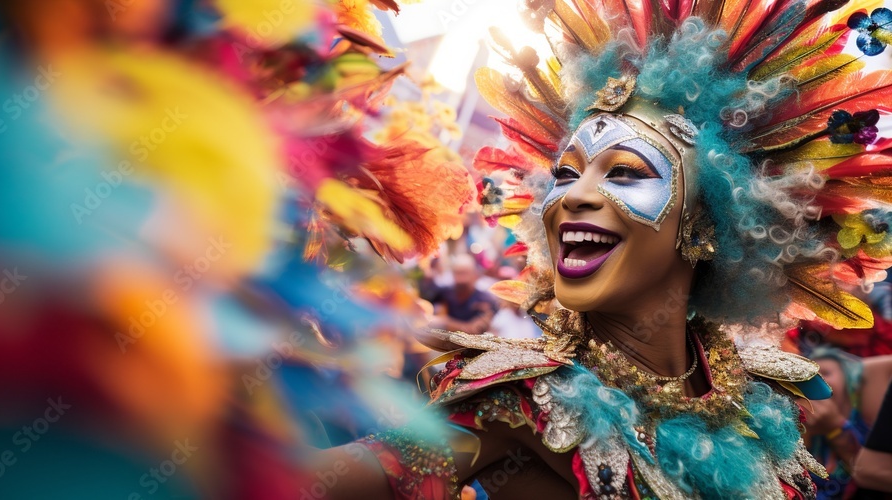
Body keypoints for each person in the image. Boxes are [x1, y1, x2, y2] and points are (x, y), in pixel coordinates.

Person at [307, 0, 892, 497]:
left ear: (708, 223)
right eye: (564, 173)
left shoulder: (770, 407)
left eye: (626, 173)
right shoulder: (520, 406)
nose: (573, 197)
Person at [803, 348, 892, 498]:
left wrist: (836, 428)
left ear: (849, 382)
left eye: (825, 373)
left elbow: (867, 473)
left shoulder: (871, 423)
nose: (817, 381)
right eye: (810, 378)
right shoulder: (801, 427)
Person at [428, 254, 498, 335]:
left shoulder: (485, 299)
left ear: (475, 275)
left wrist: (446, 322)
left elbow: (473, 330)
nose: (460, 279)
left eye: (464, 273)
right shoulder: (444, 293)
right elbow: (431, 318)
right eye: (457, 273)